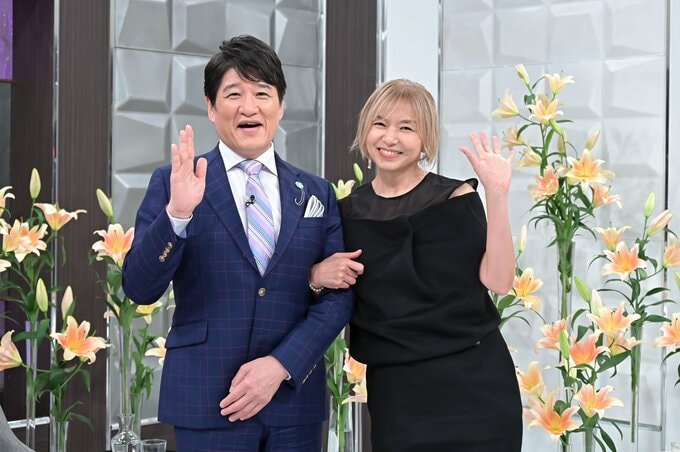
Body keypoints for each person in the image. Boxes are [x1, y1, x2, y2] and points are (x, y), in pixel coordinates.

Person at [122, 35, 353, 452]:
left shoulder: (316, 192)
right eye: (234, 94)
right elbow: (139, 287)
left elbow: (339, 296)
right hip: (208, 400)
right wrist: (177, 215)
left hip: (293, 406)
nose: (249, 107)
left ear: (280, 106)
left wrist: (281, 364)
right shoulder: (175, 183)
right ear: (211, 107)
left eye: (262, 93)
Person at [310, 79, 523, 451]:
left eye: (406, 128)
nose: (390, 137)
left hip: (476, 384)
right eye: (380, 124)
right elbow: (321, 289)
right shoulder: (346, 213)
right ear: (365, 131)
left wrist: (498, 194)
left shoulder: (456, 197)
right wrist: (315, 275)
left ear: (425, 140)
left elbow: (499, 281)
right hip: (398, 395)